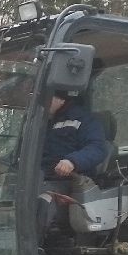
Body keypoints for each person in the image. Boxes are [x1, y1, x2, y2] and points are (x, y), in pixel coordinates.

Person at [37, 87, 107, 231]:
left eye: (45, 98)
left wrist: (71, 162)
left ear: (61, 98)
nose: (42, 103)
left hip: (67, 182)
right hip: (38, 179)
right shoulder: (39, 123)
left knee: (42, 201)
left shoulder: (84, 120)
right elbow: (23, 152)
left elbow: (97, 148)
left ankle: (31, 247)